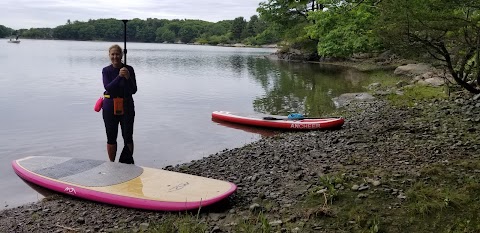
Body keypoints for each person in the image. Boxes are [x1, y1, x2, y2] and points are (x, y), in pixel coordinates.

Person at [102, 44, 137, 163]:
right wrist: (119, 76)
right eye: (113, 54)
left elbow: (134, 90)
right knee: (111, 137)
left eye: (117, 54)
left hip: (127, 105)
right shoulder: (106, 70)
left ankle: (127, 163)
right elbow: (108, 87)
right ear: (109, 55)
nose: (115, 57)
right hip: (110, 106)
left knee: (128, 136)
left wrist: (127, 77)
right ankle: (112, 163)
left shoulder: (129, 69)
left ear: (122, 55)